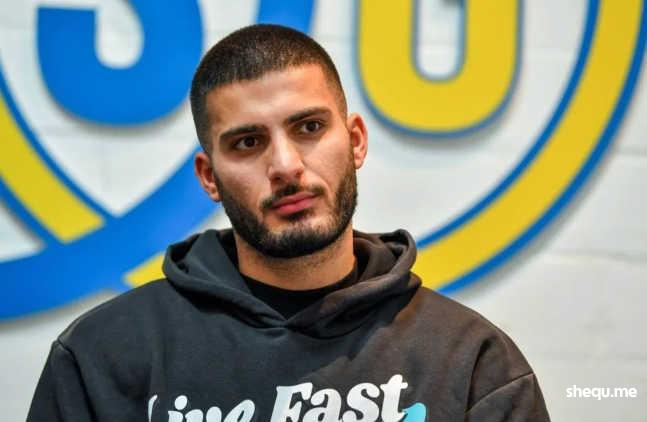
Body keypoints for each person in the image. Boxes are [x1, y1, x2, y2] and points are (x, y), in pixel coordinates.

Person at [28, 24, 550, 421]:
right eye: (247, 142)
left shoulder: (471, 363)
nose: (285, 166)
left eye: (309, 127)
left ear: (356, 142)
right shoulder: (103, 355)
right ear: (209, 177)